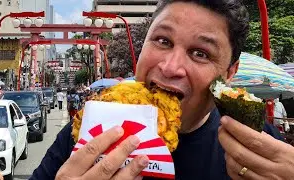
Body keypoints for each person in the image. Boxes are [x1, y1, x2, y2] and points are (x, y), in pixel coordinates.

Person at [30, 1, 294, 180]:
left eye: (200, 53)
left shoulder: (259, 148)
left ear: (229, 73)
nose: (170, 67)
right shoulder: (89, 130)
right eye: (162, 40)